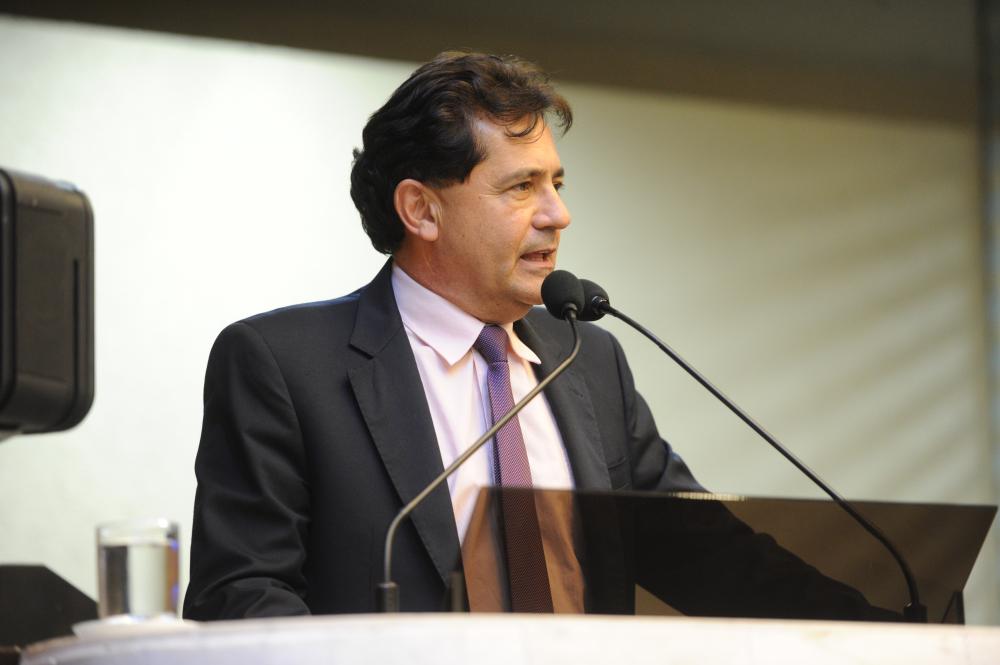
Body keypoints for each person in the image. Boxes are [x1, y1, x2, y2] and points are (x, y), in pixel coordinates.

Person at [183, 51, 891, 621]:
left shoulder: (587, 359)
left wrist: (891, 632)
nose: (558, 214)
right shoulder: (285, 365)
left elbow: (708, 554)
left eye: (557, 183)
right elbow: (242, 594)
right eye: (522, 188)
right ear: (421, 210)